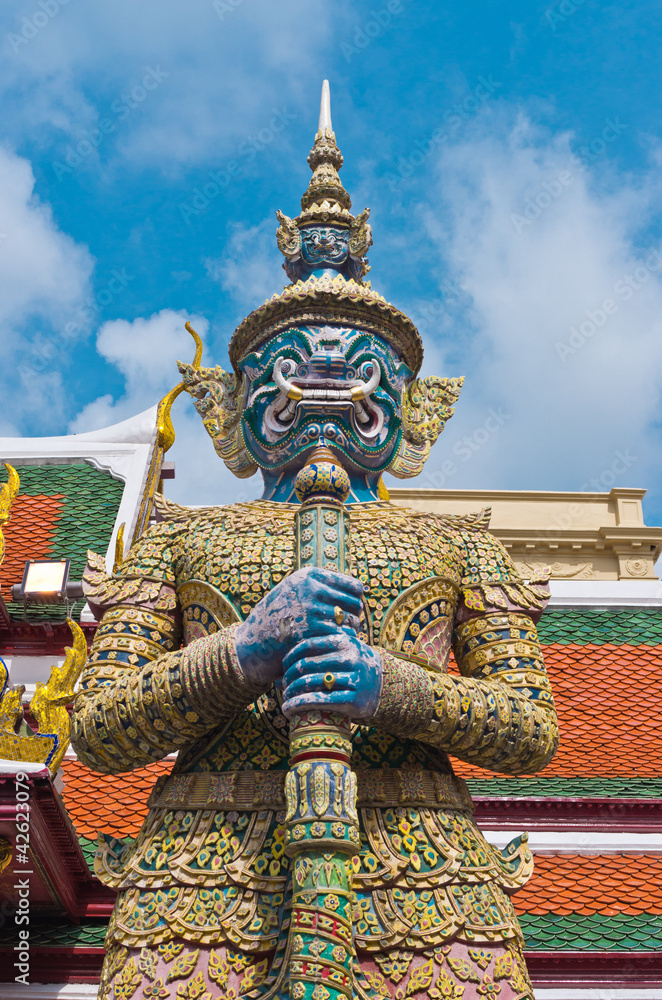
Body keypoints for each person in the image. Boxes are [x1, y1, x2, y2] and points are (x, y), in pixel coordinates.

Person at [73, 84, 558, 1000]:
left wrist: (394, 685)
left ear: (413, 410)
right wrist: (242, 651)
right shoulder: (179, 540)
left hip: (424, 887)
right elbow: (98, 731)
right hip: (201, 885)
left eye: (358, 360)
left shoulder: (458, 545)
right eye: (291, 362)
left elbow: (531, 729)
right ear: (235, 403)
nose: (328, 372)